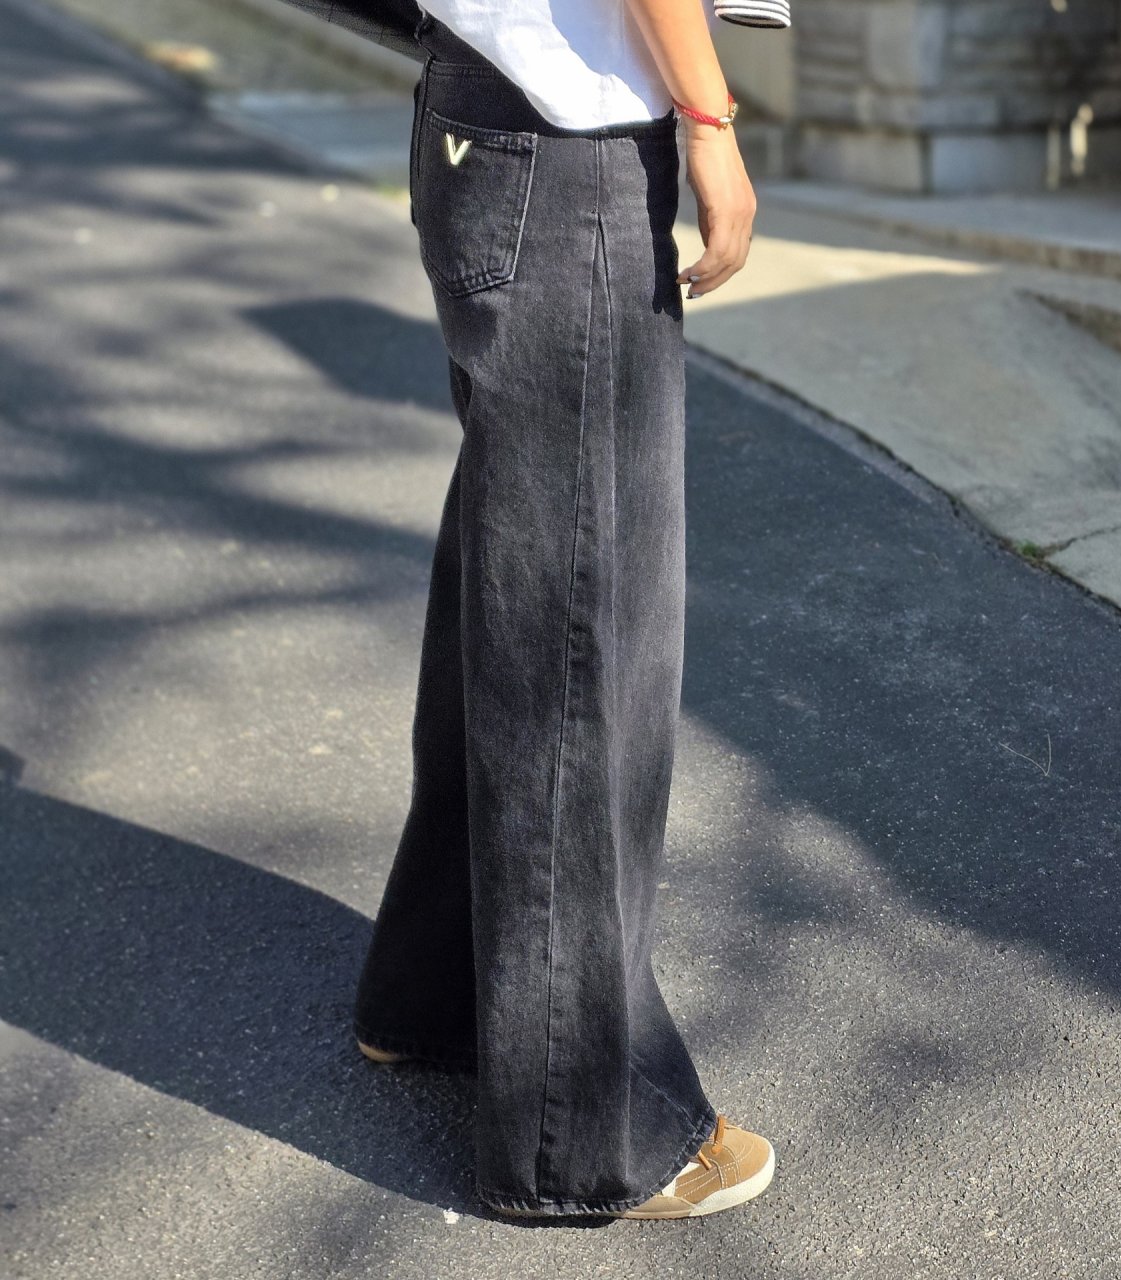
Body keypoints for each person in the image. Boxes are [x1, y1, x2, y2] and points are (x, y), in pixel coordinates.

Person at [350, 0, 775, 1221]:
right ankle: (578, 1132)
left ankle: (434, 992)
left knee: (519, 565)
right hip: (566, 145)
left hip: (481, 112)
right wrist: (709, 118)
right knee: (582, 623)